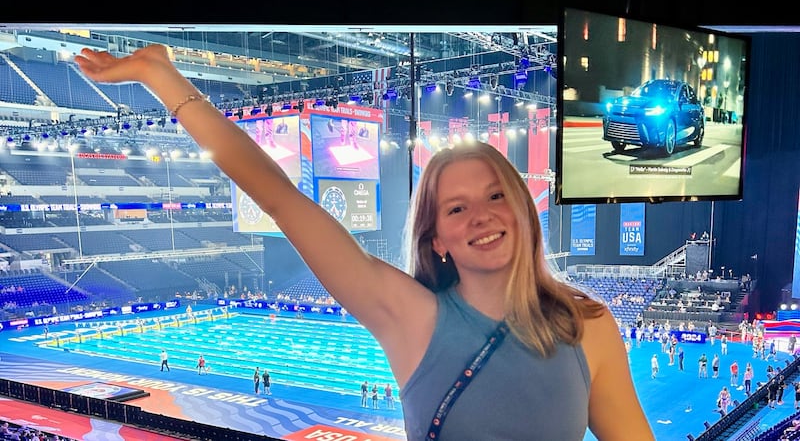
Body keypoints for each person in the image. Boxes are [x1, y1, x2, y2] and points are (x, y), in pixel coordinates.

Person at [74, 45, 654, 441]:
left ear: (525, 211)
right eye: (456, 208)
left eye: (496, 196)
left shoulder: (589, 325)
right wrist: (163, 78)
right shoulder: (411, 316)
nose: (481, 216)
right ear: (438, 239)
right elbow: (280, 198)